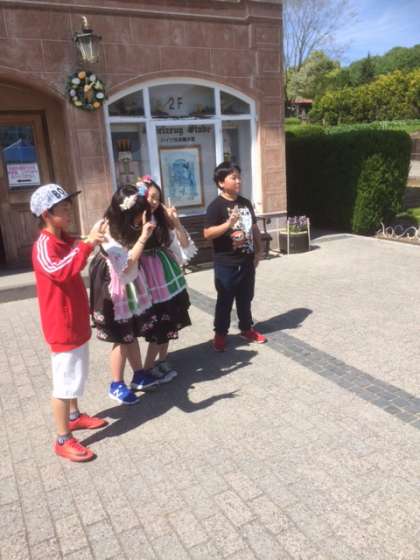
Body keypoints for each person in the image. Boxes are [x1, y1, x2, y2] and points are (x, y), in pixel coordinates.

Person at [31, 183, 108, 463]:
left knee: (76, 374)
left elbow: (78, 249)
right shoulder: (43, 245)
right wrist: (87, 245)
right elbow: (60, 270)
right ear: (46, 215)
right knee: (64, 383)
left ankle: (74, 417)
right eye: (62, 208)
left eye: (68, 206)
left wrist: (92, 238)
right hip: (61, 325)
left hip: (74, 320)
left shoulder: (65, 239)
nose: (68, 211)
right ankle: (62, 439)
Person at [89, 184, 161, 405]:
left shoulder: (127, 224)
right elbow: (126, 264)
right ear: (129, 213)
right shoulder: (107, 230)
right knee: (121, 335)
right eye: (141, 213)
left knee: (130, 331)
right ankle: (116, 384)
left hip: (127, 280)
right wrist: (143, 237)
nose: (143, 218)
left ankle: (139, 375)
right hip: (112, 284)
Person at [204, 161, 267, 351]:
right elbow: (207, 233)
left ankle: (246, 329)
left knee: (245, 298)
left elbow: (254, 228)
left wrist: (259, 251)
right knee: (225, 300)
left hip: (246, 260)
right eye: (233, 178)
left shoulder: (245, 203)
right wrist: (228, 224)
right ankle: (220, 334)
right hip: (226, 263)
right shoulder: (216, 206)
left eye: (239, 177)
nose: (238, 181)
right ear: (221, 182)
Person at [141, 176, 196, 380]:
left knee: (169, 318)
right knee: (158, 324)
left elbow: (184, 245)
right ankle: (147, 369)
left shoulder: (162, 219)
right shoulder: (133, 221)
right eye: (149, 197)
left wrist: (176, 221)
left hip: (166, 274)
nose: (154, 201)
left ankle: (161, 360)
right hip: (147, 278)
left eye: (157, 197)